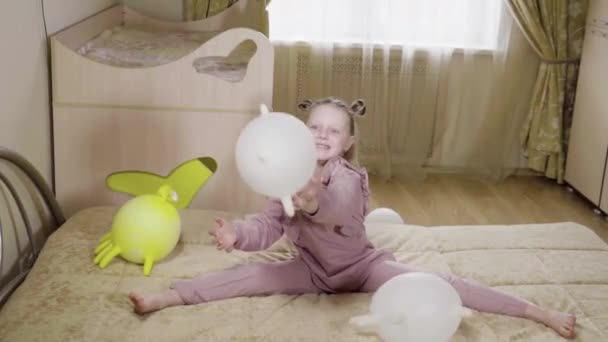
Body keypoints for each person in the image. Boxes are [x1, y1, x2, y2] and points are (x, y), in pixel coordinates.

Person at [129, 97, 576, 339]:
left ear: (346, 143)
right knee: (249, 276)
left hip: (361, 267)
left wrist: (309, 202)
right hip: (311, 270)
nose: (322, 134)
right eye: (315, 126)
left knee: (443, 283)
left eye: (334, 129)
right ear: (301, 134)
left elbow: (339, 208)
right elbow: (268, 225)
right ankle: (172, 297)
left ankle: (537, 311)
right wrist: (237, 236)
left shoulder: (350, 178)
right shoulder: (284, 175)